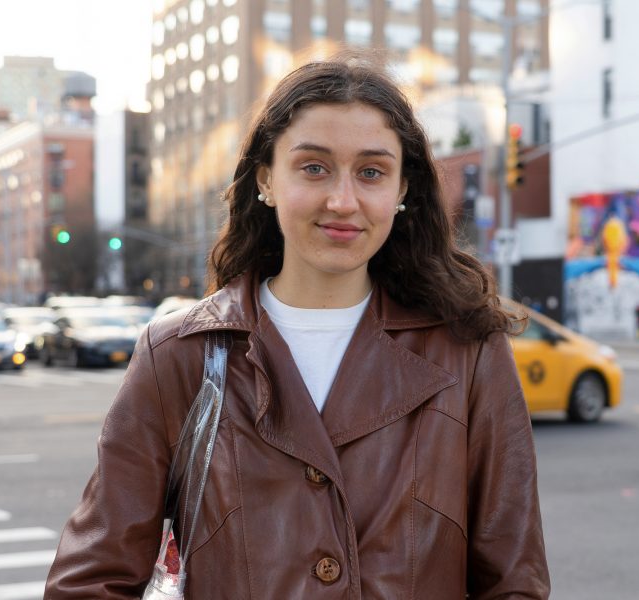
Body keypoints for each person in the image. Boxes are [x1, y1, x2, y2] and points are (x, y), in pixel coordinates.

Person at [46, 53, 550, 599]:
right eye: (314, 167)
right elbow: (91, 580)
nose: (342, 200)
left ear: (403, 190)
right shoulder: (178, 355)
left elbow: (512, 579)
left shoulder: (468, 352)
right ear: (267, 178)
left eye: (372, 172)